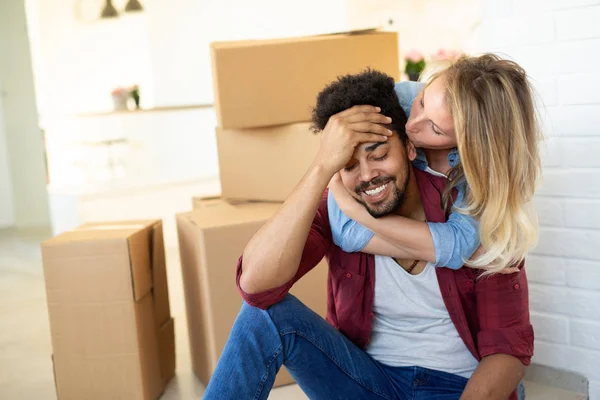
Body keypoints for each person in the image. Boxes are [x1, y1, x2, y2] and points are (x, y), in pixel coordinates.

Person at [203, 69, 533, 400]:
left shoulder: (474, 207)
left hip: (454, 387)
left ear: (409, 147)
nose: (367, 177)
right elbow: (256, 287)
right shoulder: (341, 204)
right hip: (367, 383)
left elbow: (507, 350)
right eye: (347, 165)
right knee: (264, 317)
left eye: (379, 156)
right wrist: (321, 167)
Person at [328, 54, 542, 276]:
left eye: (436, 129)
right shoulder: (399, 99)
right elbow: (346, 231)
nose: (412, 124)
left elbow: (458, 244)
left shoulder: (481, 169)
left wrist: (355, 210)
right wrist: (451, 254)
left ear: (470, 144)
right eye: (422, 103)